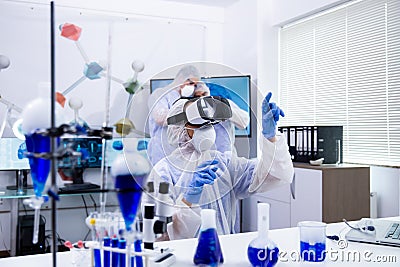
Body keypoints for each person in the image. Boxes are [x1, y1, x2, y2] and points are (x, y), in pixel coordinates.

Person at [147, 92, 294, 240]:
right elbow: (161, 234)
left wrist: (270, 137)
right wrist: (189, 199)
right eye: (198, 122)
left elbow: (274, 175)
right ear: (179, 128)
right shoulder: (163, 172)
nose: (207, 128)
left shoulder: (223, 163)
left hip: (223, 252)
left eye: (209, 122)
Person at [147, 65, 209, 166]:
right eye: (191, 83)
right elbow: (160, 118)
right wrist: (188, 114)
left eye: (195, 85)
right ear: (181, 78)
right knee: (163, 180)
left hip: (180, 155)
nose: (192, 87)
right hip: (162, 153)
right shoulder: (160, 94)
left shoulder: (185, 99)